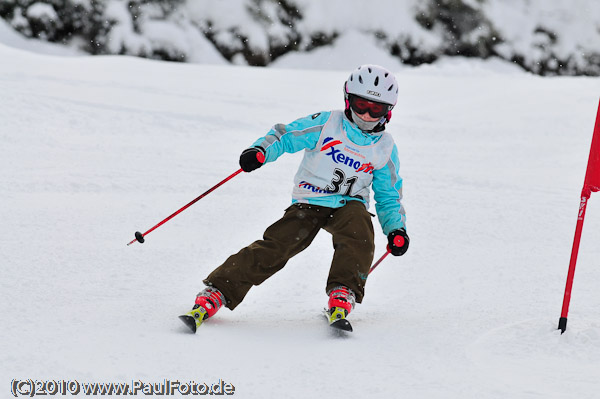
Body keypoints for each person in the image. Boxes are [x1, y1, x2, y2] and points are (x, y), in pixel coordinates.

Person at [180, 64, 409, 332]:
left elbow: (388, 195)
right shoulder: (327, 123)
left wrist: (396, 229)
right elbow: (286, 135)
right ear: (348, 99)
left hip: (349, 205)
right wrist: (261, 151)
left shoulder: (384, 148)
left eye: (376, 109)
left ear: (388, 111)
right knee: (278, 244)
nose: (367, 115)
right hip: (310, 201)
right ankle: (218, 290)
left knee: (359, 230)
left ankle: (343, 291)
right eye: (361, 105)